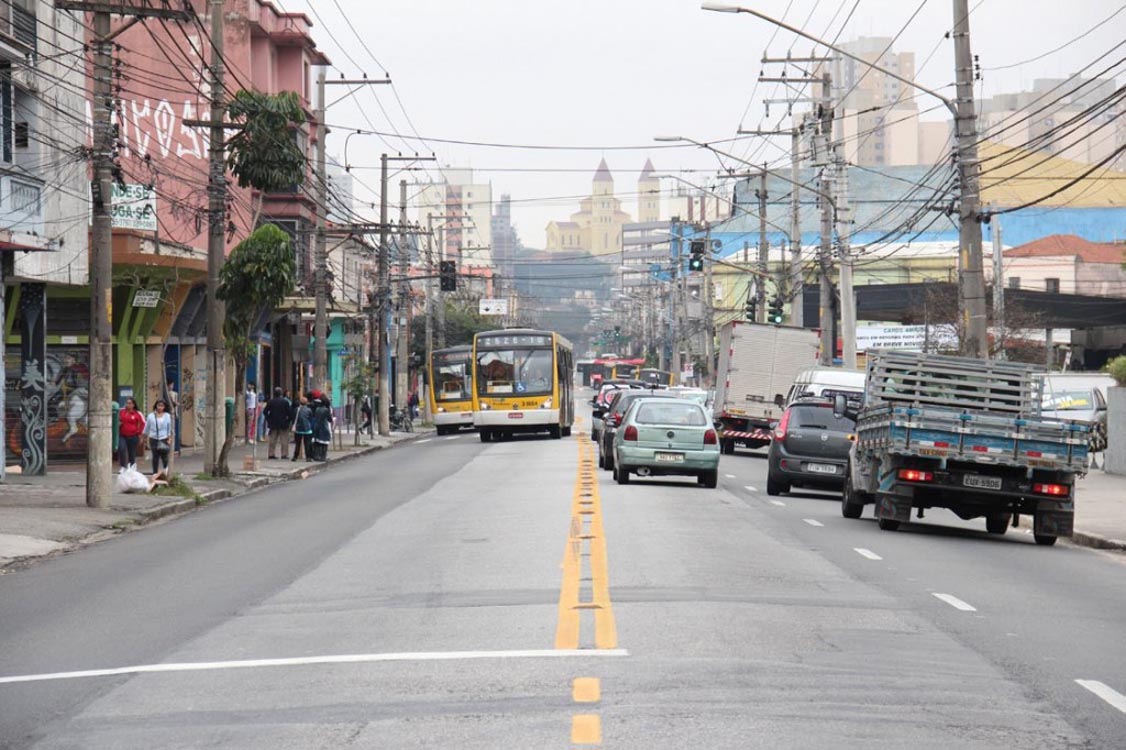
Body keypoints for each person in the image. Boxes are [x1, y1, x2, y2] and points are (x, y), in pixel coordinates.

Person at [145, 398, 173, 477]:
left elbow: (169, 428)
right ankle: (154, 473)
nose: (160, 407)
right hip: (153, 438)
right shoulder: (151, 416)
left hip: (164, 438)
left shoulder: (167, 416)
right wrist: (144, 437)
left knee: (164, 455)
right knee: (155, 456)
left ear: (164, 407)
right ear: (156, 406)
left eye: (162, 406)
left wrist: (169, 438)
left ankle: (166, 470)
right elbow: (147, 427)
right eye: (158, 405)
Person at [263, 387, 293, 460]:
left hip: (273, 423)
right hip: (283, 423)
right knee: (284, 440)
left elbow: (265, 412)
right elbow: (290, 413)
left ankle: (271, 454)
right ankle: (284, 454)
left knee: (273, 439)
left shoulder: (271, 401)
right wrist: (288, 420)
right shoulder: (285, 402)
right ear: (281, 394)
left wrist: (269, 419)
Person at [117, 397, 145, 470]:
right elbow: (118, 420)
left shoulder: (137, 413)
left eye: (130, 403)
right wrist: (119, 424)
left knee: (132, 453)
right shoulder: (122, 412)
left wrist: (139, 433)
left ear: (133, 404)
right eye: (127, 403)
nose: (128, 405)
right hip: (123, 435)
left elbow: (143, 423)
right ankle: (123, 466)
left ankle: (132, 466)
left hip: (133, 436)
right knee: (121, 448)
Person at [292, 395, 314, 461]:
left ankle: (295, 456)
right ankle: (308, 457)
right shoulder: (309, 410)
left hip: (298, 429)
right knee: (307, 444)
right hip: (307, 428)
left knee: (298, 444)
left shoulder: (296, 409)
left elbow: (294, 418)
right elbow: (310, 418)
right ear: (306, 403)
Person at [312, 396, 333, 461]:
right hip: (324, 427)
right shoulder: (326, 410)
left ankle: (317, 456)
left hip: (317, 426)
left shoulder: (317, 409)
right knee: (324, 442)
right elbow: (330, 419)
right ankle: (323, 456)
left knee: (318, 442)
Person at [165, 379, 181, 455]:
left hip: (173, 414)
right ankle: (170, 447)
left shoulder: (175, 394)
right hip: (169, 414)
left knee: (172, 431)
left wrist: (176, 413)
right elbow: (172, 403)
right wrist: (176, 404)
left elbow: (175, 406)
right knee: (170, 431)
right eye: (171, 385)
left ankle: (172, 447)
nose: (172, 386)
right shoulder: (167, 394)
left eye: (172, 385)